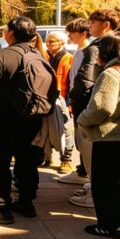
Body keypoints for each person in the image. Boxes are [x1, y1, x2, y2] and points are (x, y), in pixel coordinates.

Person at [73, 32, 120, 237]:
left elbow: (102, 108)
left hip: (109, 136)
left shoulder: (111, 74)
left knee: (105, 183)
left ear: (107, 50)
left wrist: (82, 118)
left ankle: (109, 225)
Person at [0, 16, 50, 224]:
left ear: (11, 33)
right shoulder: (40, 55)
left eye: (6, 30)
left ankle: (1, 206)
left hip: (2, 121)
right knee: (26, 162)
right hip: (32, 119)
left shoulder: (0, 56)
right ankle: (26, 203)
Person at [62, 9, 120, 204]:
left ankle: (97, 193)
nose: (90, 25)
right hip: (99, 107)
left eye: (93, 22)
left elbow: (85, 81)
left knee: (92, 152)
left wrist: (77, 101)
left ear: (105, 24)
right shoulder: (113, 44)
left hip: (93, 108)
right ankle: (96, 186)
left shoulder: (100, 46)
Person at [57, 18, 91, 176]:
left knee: (85, 140)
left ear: (83, 33)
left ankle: (86, 172)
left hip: (82, 102)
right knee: (79, 139)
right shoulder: (79, 50)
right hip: (76, 101)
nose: (69, 35)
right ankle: (83, 169)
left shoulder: (88, 51)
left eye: (72, 32)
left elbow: (84, 81)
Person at [45, 31, 74, 170]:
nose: (48, 44)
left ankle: (66, 159)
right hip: (50, 98)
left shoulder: (68, 58)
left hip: (63, 99)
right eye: (47, 41)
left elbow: (70, 83)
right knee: (49, 129)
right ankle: (47, 157)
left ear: (62, 43)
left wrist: (68, 103)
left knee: (66, 130)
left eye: (51, 42)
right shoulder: (49, 57)